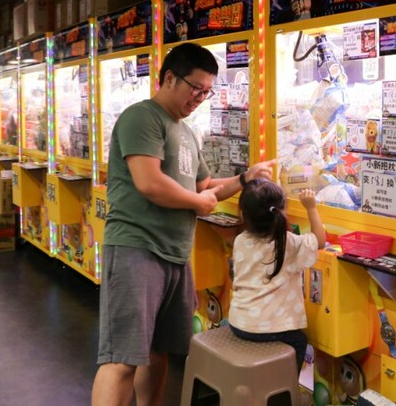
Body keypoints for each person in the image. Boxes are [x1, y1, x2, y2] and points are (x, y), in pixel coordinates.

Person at [91, 42, 276, 406]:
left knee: (160, 351)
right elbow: (149, 182)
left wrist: (244, 179)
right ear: (170, 77)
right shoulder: (142, 118)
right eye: (196, 88)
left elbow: (205, 186)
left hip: (175, 255)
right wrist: (198, 203)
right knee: (122, 359)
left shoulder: (186, 133)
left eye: (207, 91)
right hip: (136, 248)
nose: (201, 98)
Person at [228, 182, 326, 372]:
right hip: (273, 330)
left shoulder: (240, 240)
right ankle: (285, 388)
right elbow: (319, 240)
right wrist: (311, 207)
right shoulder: (288, 243)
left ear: (243, 215)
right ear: (282, 212)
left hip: (238, 323)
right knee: (300, 341)